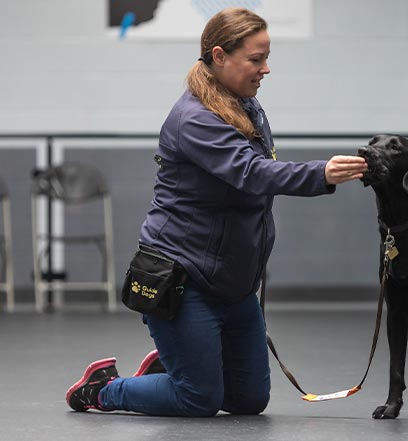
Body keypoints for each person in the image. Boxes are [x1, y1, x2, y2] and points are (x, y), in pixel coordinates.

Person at [65, 7, 367, 416]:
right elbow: (251, 173)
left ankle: (180, 364)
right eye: (256, 59)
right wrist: (322, 174)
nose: (266, 69)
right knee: (198, 400)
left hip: (234, 282)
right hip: (185, 279)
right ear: (220, 56)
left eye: (267, 57)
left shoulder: (246, 104)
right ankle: (104, 389)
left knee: (249, 401)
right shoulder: (194, 119)